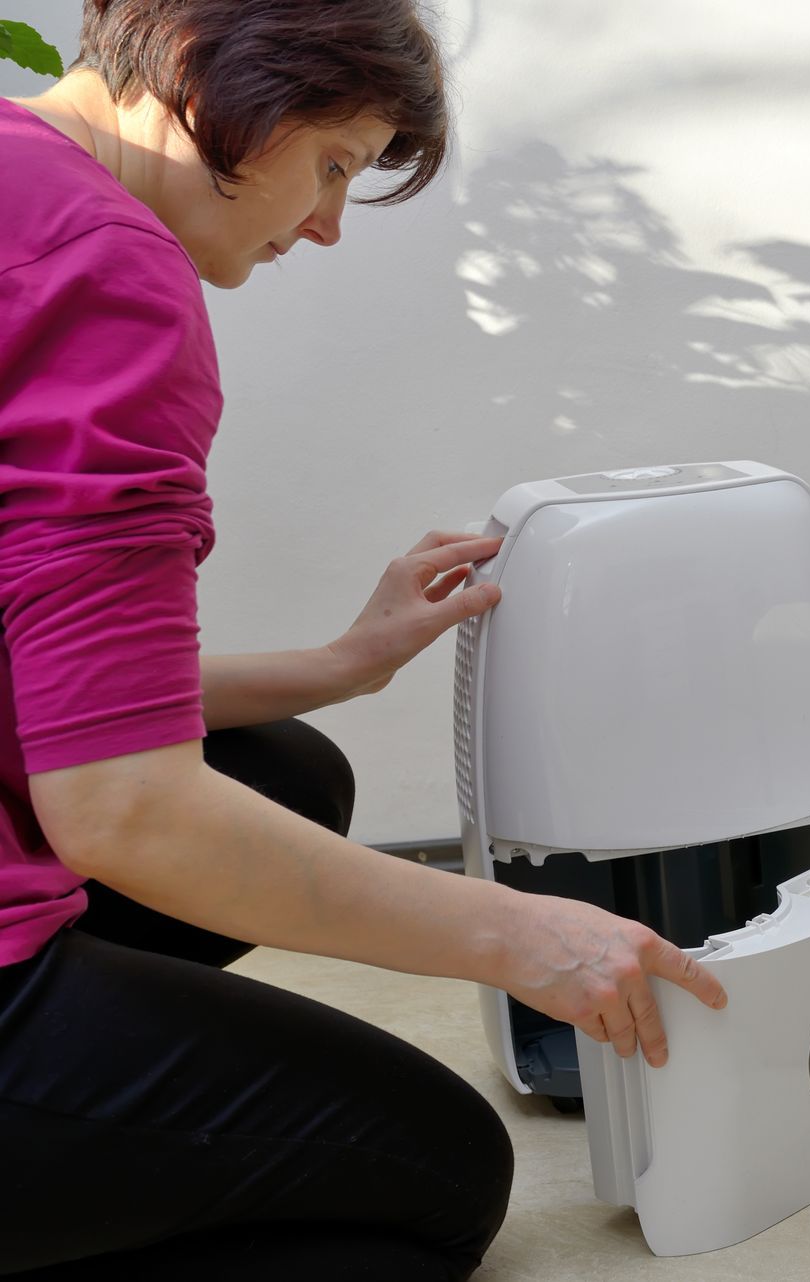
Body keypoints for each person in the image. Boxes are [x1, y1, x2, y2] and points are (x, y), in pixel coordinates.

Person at [0, 2, 727, 1277]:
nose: (330, 224)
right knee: (437, 1179)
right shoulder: (107, 271)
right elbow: (124, 810)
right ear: (189, 64)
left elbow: (55, 698)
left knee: (288, 769)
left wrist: (345, 665)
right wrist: (520, 931)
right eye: (333, 164)